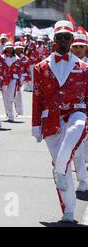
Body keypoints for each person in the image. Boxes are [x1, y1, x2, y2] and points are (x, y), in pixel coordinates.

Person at [32, 20, 88, 223]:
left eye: (67, 37)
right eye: (60, 37)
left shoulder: (83, 67)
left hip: (76, 112)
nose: (63, 41)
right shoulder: (40, 67)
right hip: (50, 119)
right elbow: (37, 96)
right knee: (61, 168)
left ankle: (61, 166)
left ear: (72, 40)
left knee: (79, 125)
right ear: (54, 40)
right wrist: (35, 125)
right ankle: (69, 212)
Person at [69, 31, 88, 192]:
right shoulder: (66, 64)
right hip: (73, 114)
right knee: (78, 148)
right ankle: (82, 179)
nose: (78, 49)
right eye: (75, 46)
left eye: (81, 46)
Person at [1, 42, 22, 123]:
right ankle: (9, 114)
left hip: (14, 79)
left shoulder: (17, 59)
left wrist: (19, 81)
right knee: (5, 97)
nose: (9, 49)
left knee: (10, 97)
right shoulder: (1, 58)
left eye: (10, 47)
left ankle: (11, 114)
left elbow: (20, 70)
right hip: (4, 79)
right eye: (7, 47)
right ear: (5, 48)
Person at [14, 42, 31, 116]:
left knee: (17, 93)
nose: (18, 49)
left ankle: (19, 111)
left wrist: (27, 78)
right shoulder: (12, 57)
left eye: (20, 48)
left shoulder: (25, 58)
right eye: (17, 48)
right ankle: (13, 111)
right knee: (12, 95)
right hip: (13, 77)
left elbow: (28, 69)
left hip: (21, 77)